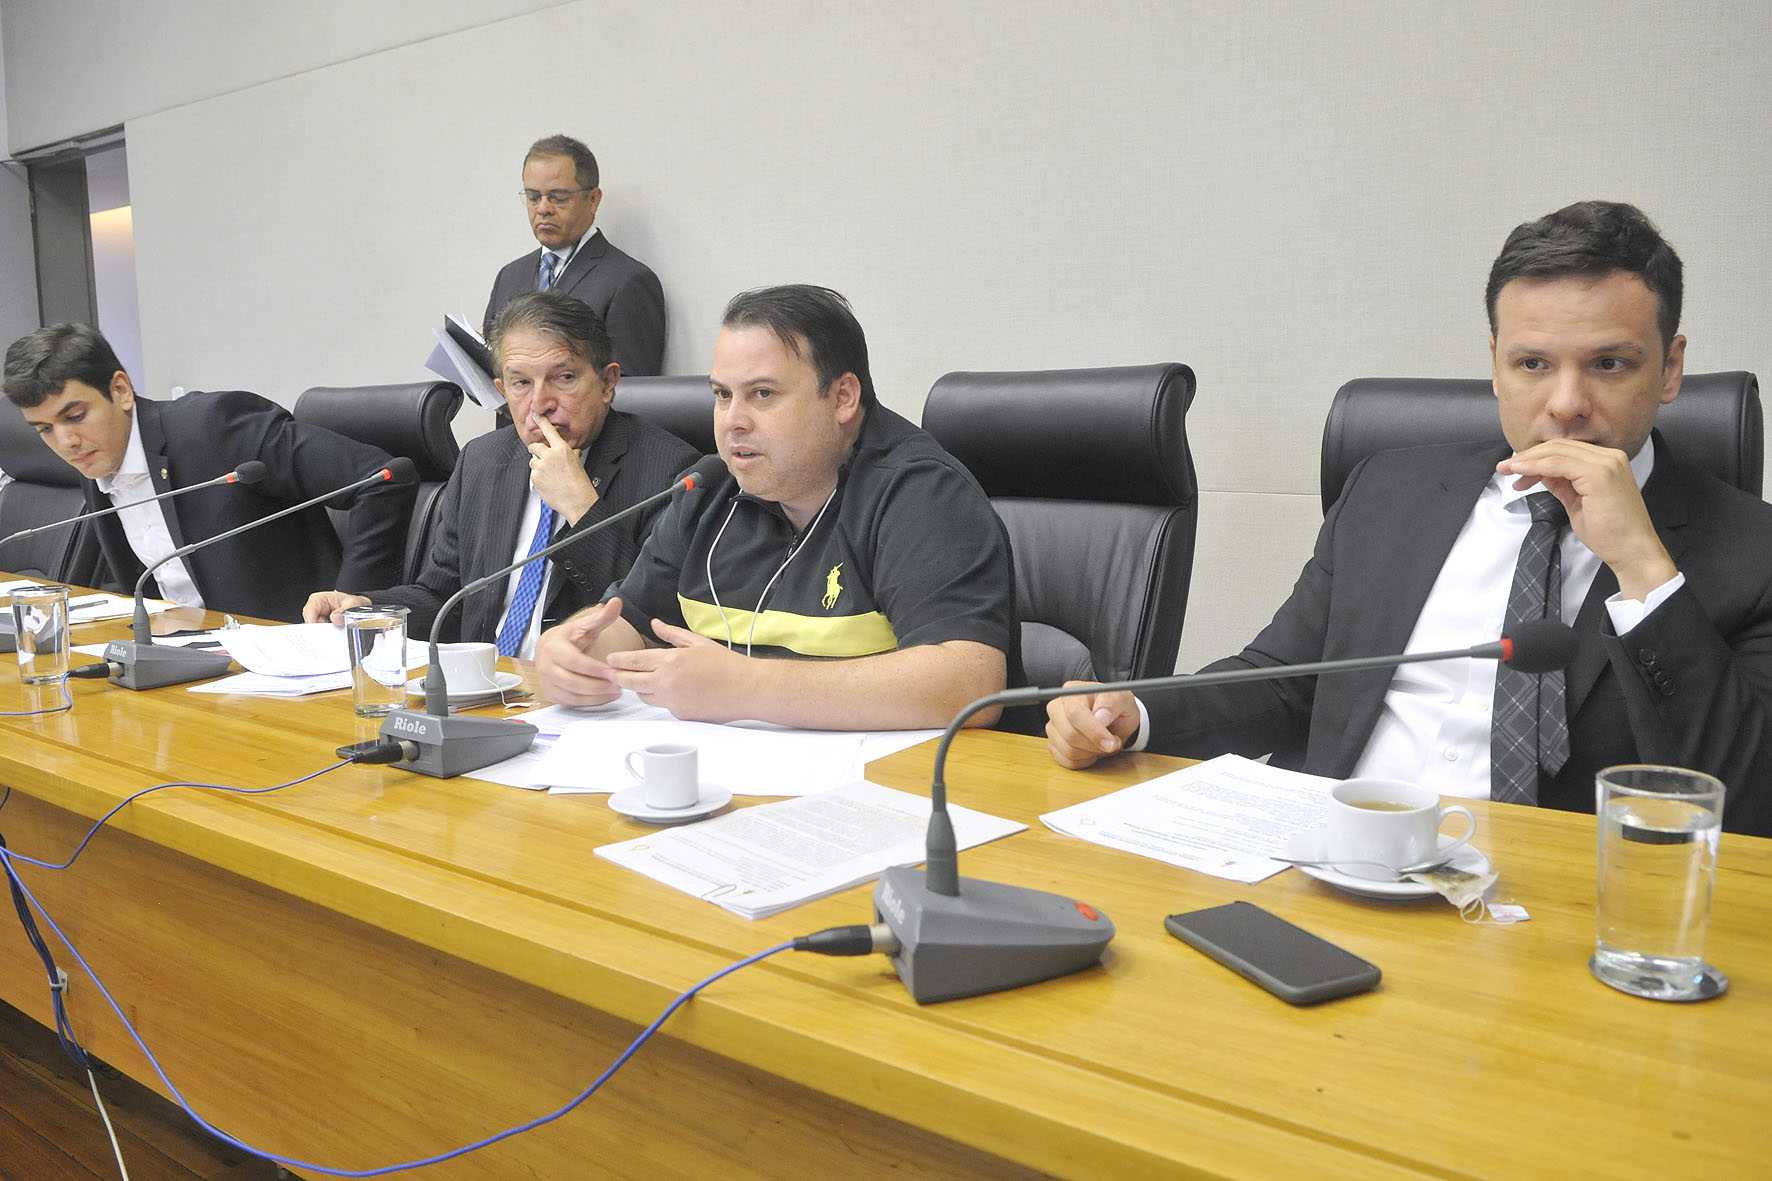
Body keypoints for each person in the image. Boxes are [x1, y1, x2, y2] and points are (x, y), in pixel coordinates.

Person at [1047, 201, 1772, 836]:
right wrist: (1135, 712)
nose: (1566, 404)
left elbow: (1745, 802)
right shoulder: (1390, 490)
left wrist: (1643, 569)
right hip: (1328, 860)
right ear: (1495, 364)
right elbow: (1285, 678)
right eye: (1532, 364)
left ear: (1669, 369)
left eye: (1609, 364)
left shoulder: (1752, 553)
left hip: (1553, 905)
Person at [534, 284, 1019, 729]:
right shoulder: (708, 489)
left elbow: (970, 682)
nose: (732, 421)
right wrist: (575, 651)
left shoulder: (921, 493)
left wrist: (747, 687)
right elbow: (629, 623)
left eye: (762, 394)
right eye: (722, 395)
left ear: (843, 397)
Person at [304, 292, 699, 655]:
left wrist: (581, 508)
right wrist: (367, 606)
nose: (539, 404)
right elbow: (445, 597)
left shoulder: (671, 471)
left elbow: (657, 617)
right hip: (485, 686)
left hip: (582, 691)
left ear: (607, 383)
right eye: (521, 383)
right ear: (502, 390)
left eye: (563, 378)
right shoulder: (482, 460)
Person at [3, 323, 413, 623]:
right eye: (44, 429)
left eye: (75, 416)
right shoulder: (95, 460)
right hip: (190, 655)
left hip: (290, 650)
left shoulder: (217, 427)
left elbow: (384, 479)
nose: (65, 442)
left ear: (121, 391)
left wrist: (354, 606)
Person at [482, 135, 666, 377]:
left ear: (593, 200)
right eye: (533, 197)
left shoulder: (628, 281)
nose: (543, 209)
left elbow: (633, 389)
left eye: (558, 198)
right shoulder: (509, 276)